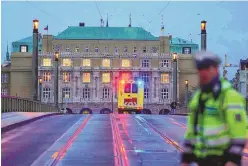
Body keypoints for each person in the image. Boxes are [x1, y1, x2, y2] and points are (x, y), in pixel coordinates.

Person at [180, 51, 247, 166]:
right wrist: (185, 159)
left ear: (216, 69)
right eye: (200, 68)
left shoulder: (229, 96)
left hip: (224, 160)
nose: (203, 73)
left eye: (207, 68)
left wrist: (233, 160)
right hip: (202, 160)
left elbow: (239, 132)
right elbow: (192, 131)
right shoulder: (199, 96)